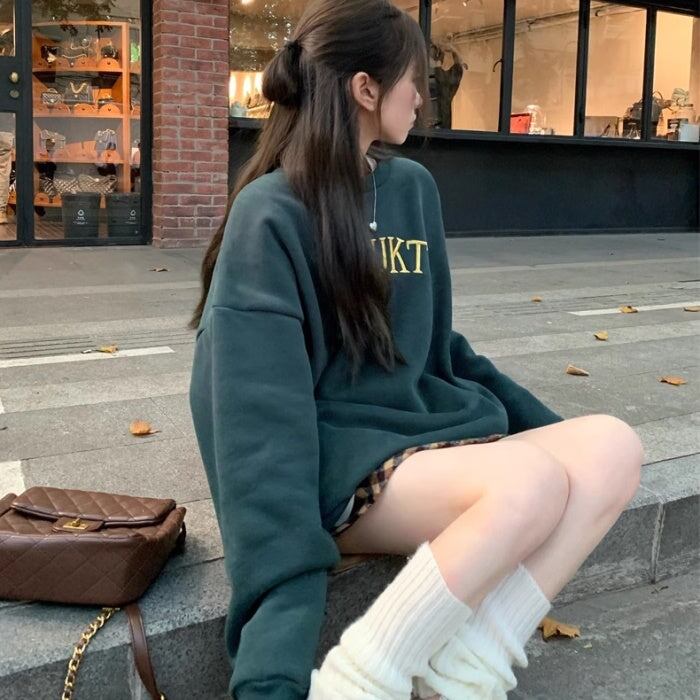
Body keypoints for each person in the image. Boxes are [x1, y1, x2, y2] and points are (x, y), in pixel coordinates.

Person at [187, 1, 645, 699]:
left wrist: (554, 438)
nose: (422, 98)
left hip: (421, 446)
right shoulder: (270, 213)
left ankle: (465, 674)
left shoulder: (412, 188)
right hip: (335, 472)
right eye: (413, 80)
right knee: (530, 482)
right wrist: (272, 666)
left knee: (612, 447)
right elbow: (256, 421)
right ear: (365, 89)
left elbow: (439, 347)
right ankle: (355, 682)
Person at [428, 40, 465, 129]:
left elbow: (458, 69)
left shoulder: (444, 80)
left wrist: (453, 51)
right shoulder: (437, 76)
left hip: (439, 126)